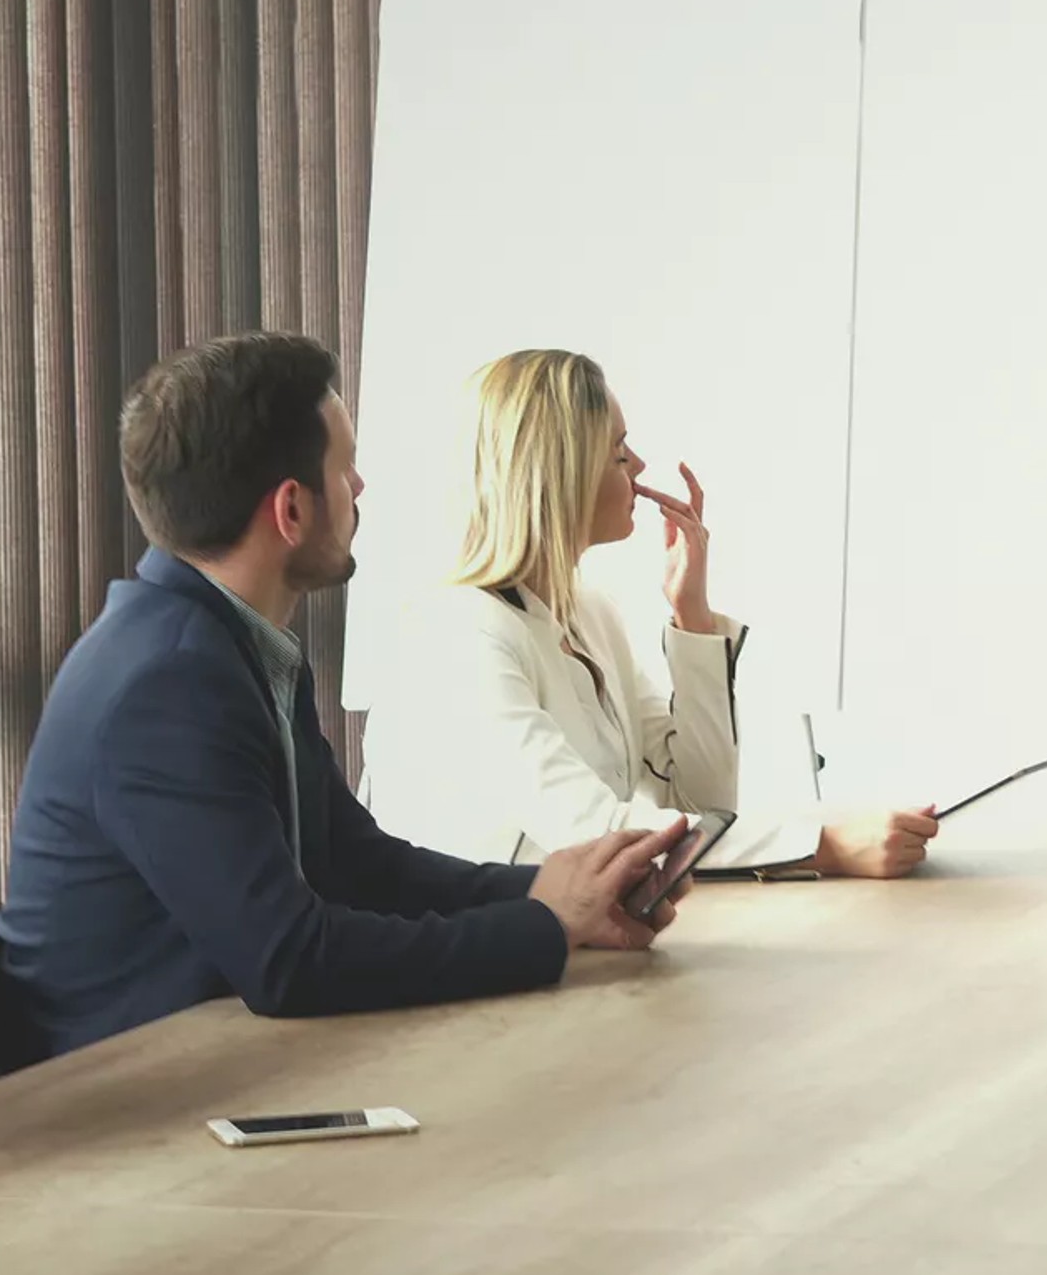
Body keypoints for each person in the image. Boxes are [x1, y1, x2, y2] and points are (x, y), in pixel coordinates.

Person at [0, 333, 684, 1060]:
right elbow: (290, 960)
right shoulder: (169, 683)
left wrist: (553, 890)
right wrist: (546, 924)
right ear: (291, 510)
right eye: (344, 469)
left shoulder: (227, 644)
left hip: (225, 1058)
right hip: (134, 1094)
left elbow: (359, 865)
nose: (360, 489)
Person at [372, 348, 936, 879]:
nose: (639, 466)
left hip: (570, 933)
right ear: (563, 473)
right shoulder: (457, 634)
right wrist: (824, 847)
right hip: (478, 943)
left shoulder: (589, 615)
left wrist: (693, 617)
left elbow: (702, 801)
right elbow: (595, 833)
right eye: (619, 452)